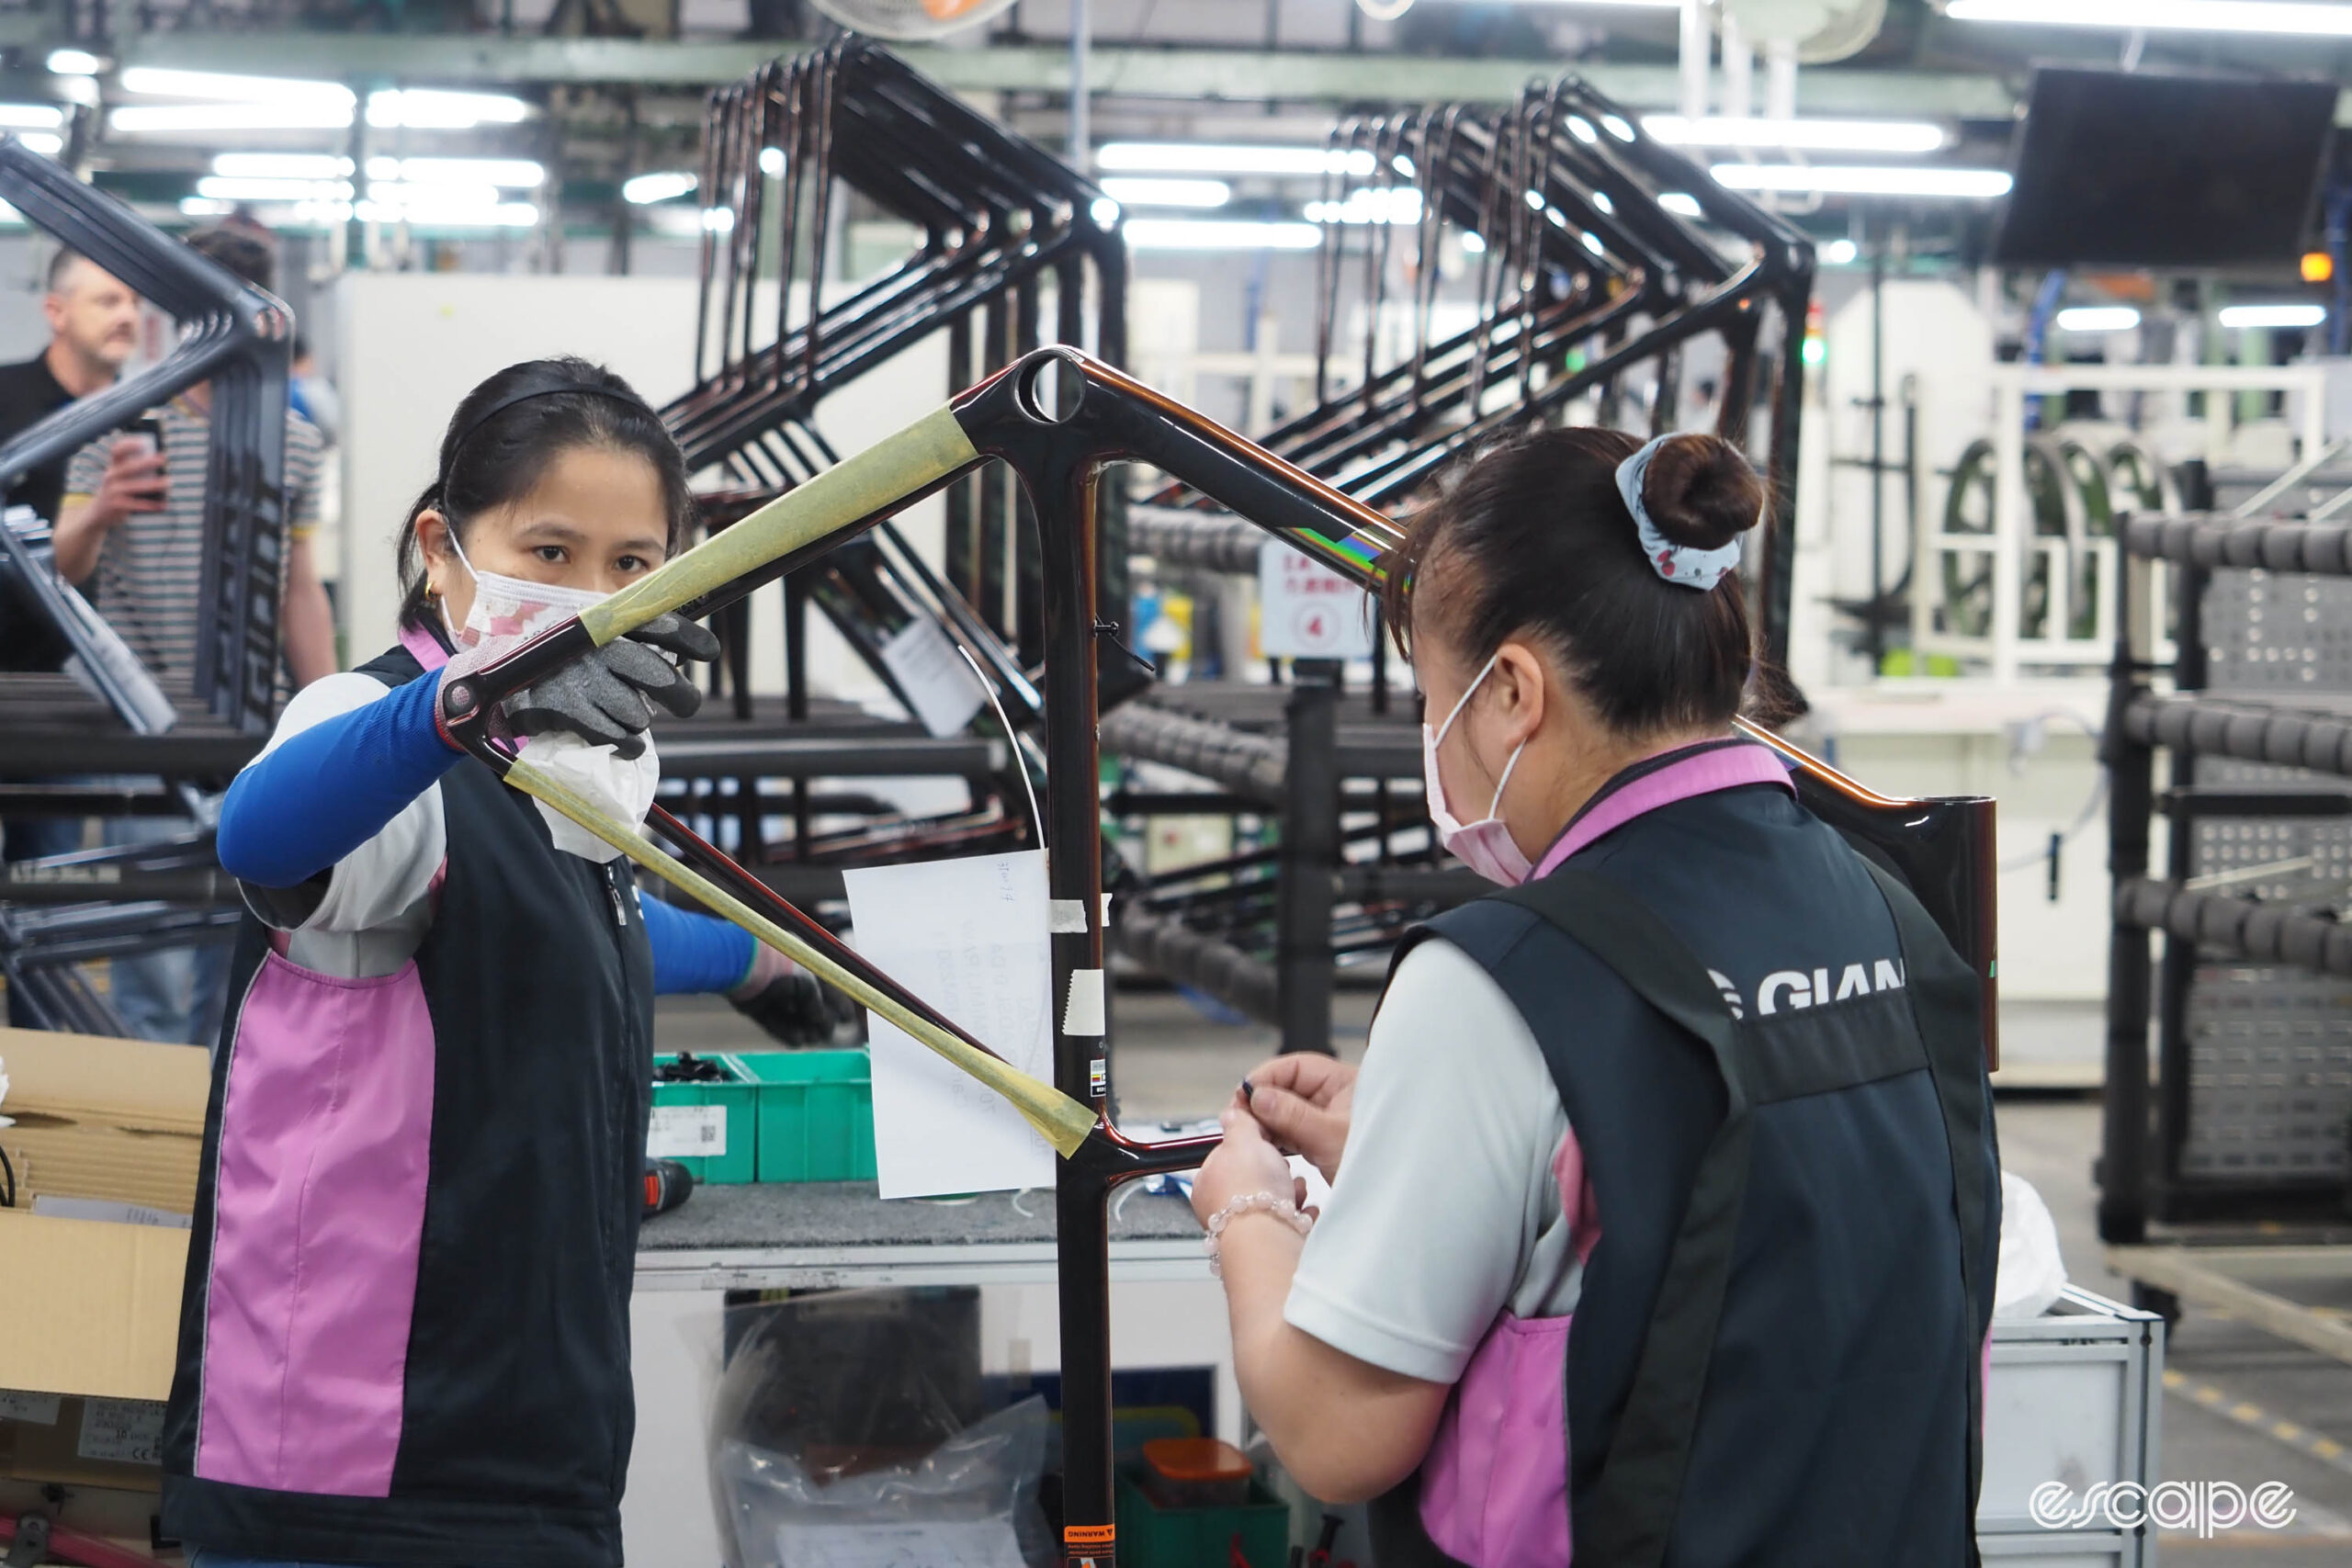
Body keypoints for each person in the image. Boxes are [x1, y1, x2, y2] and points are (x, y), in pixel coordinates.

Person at [1190, 429, 2000, 1567]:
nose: (1435, 741)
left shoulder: (1499, 980)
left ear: (1512, 691)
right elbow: (1730, 1213)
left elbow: (1335, 1433)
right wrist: (1408, 1137)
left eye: (1435, 698)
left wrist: (1248, 1213)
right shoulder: (1891, 916)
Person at [162, 356, 840, 1568]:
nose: (592, 594)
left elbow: (549, 901)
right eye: (548, 551)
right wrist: (460, 703)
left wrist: (746, 956)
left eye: (632, 563)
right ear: (442, 544)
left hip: (534, 1428)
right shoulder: (369, 727)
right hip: (353, 1460)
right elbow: (261, 835)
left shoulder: (582, 757)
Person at [50, 227, 336, 1043]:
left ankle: (213, 1144)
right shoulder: (113, 421)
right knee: (150, 961)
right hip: (144, 723)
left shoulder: (296, 440)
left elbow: (298, 586)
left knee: (238, 956)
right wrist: (100, 509)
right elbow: (61, 572)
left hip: (252, 729)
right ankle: (153, 1143)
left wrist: (327, 711)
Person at [0, 249, 143, 910]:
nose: (128, 315)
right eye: (107, 301)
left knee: (49, 901)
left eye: (134, 302)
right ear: (55, 311)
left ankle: (33, 1019)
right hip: (8, 673)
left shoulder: (143, 420)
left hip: (73, 702)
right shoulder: (6, 401)